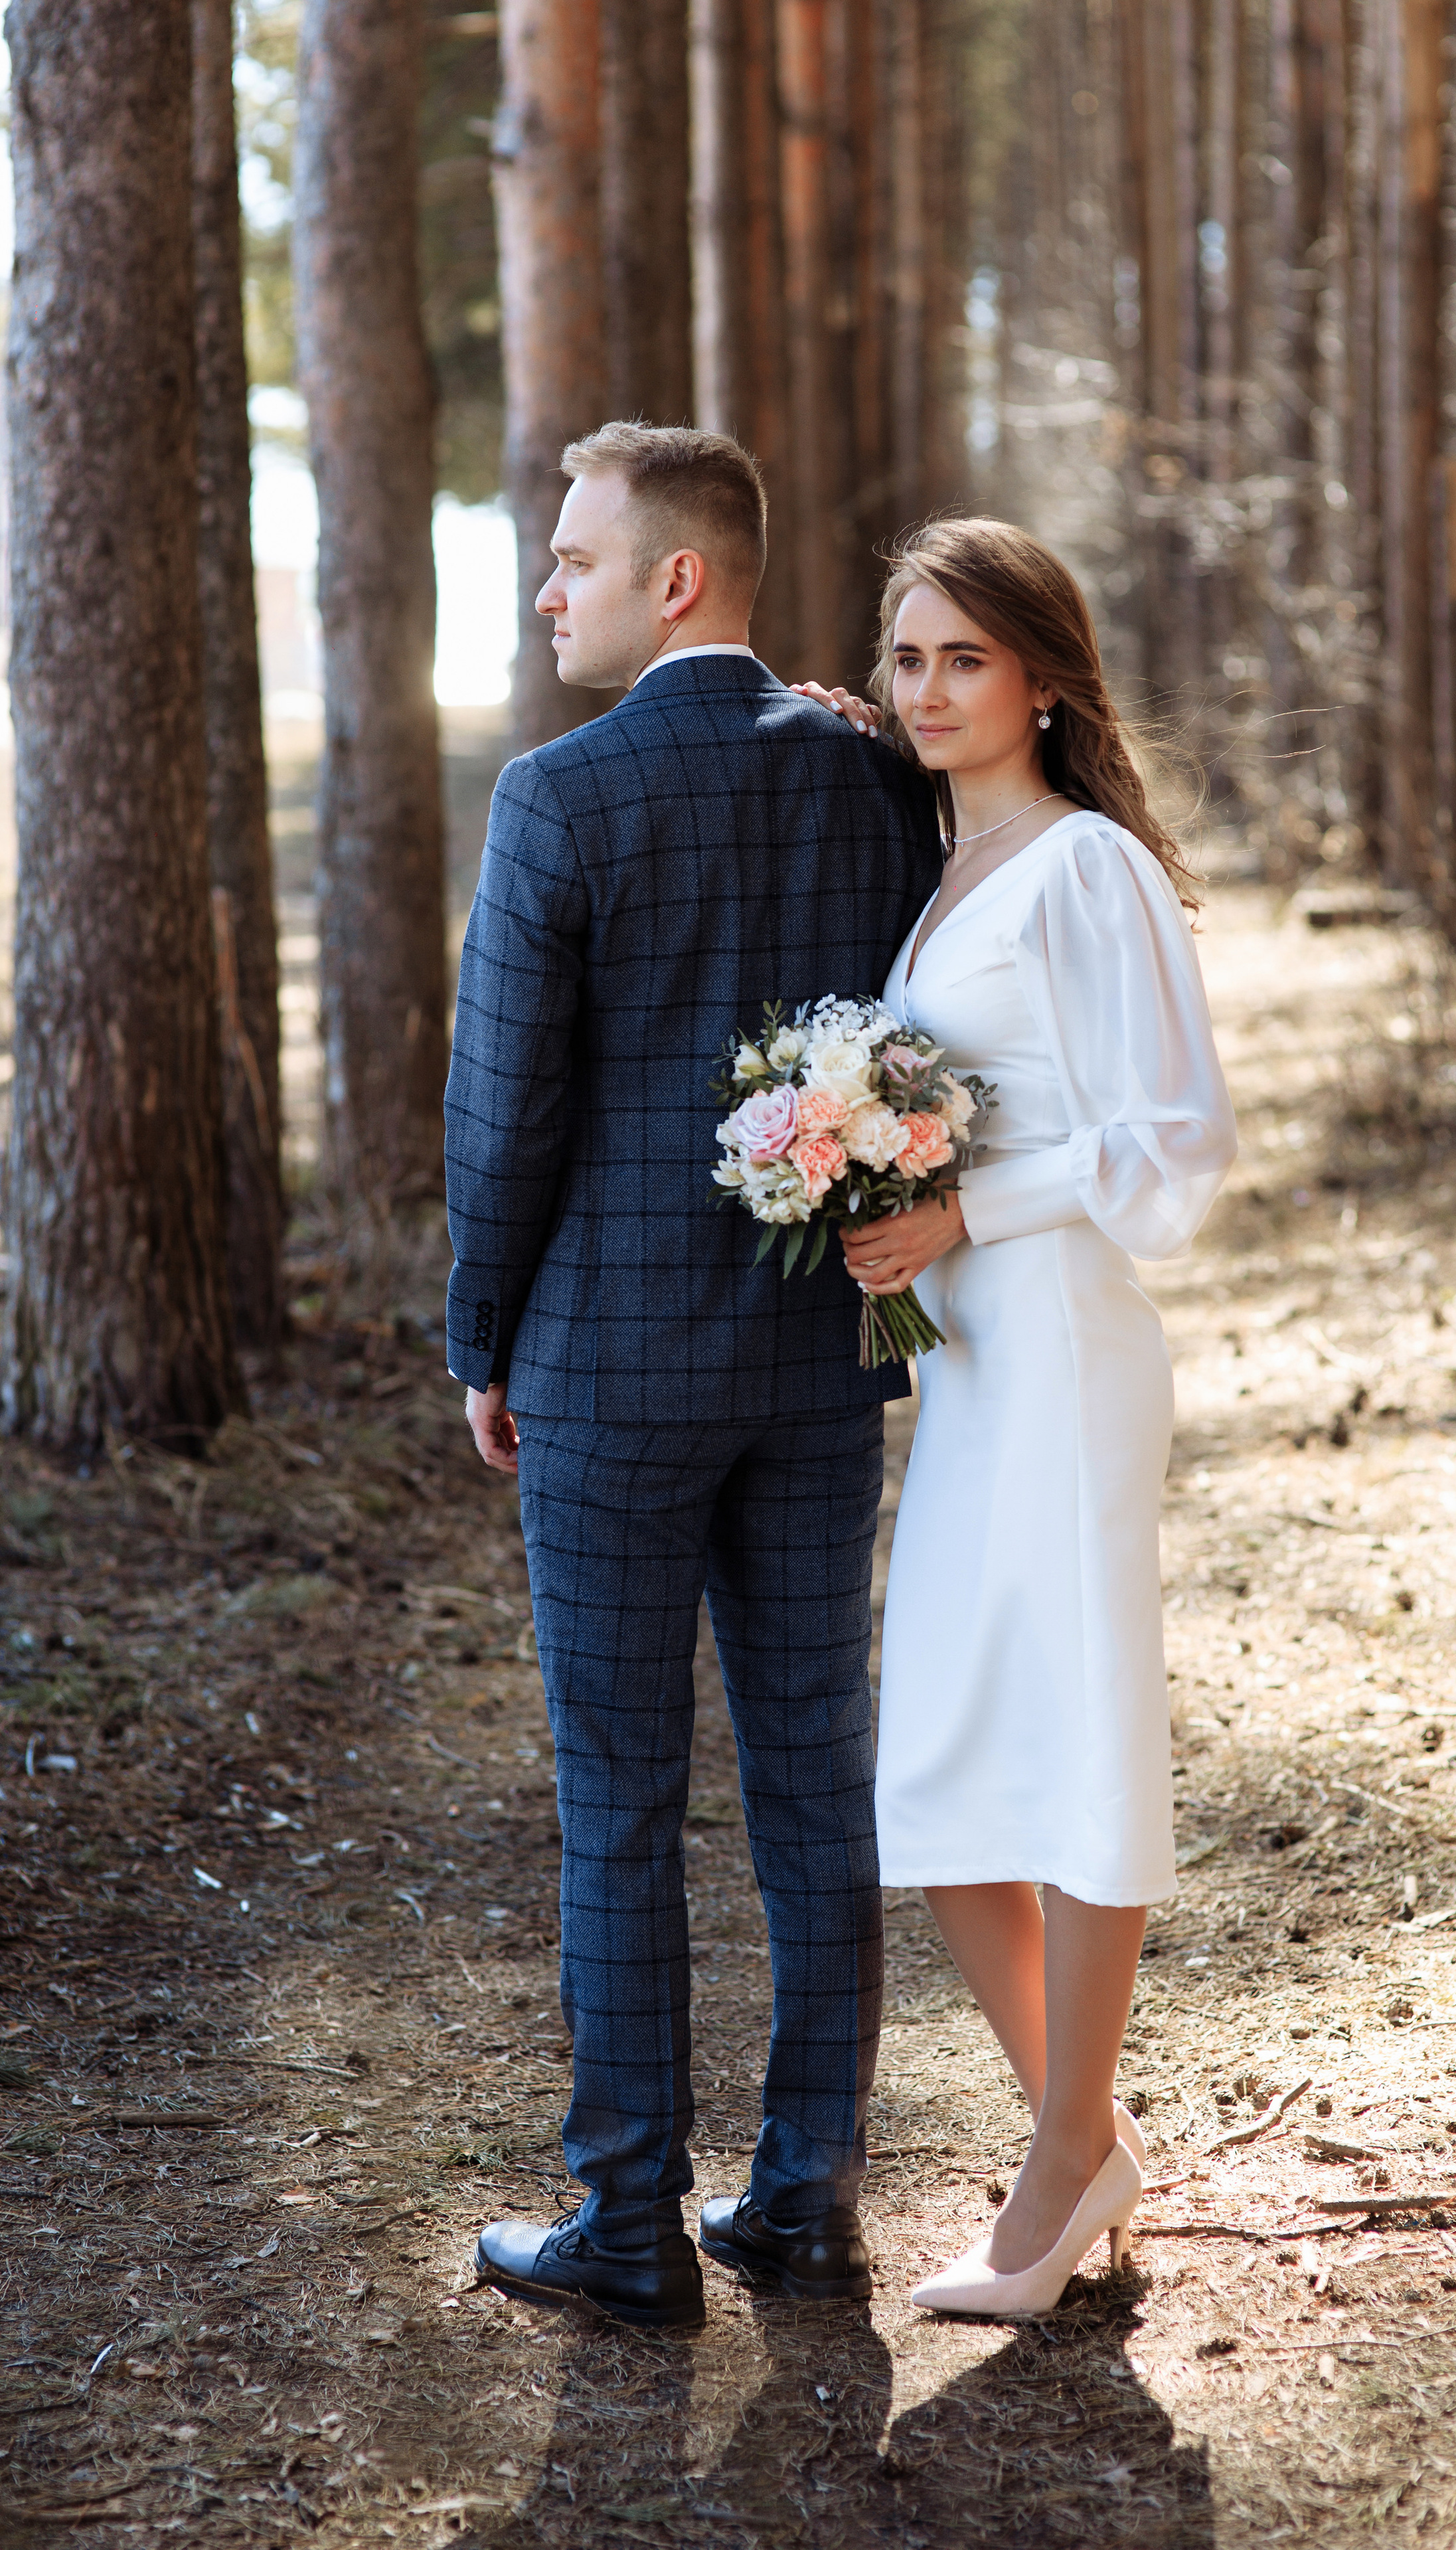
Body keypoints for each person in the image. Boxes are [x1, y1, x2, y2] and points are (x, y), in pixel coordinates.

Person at [444, 423, 942, 2330]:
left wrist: (483, 1339)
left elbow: (506, 1116)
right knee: (815, 1777)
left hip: (610, 1370)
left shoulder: (558, 799)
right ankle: (808, 2197)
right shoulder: (873, 779)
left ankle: (629, 2220)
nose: (547, 587)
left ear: (677, 579)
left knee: (622, 1795)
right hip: (821, 1351)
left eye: (573, 556)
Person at [827, 519, 1236, 2316]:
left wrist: (964, 1215)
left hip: (1066, 1352)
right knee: (940, 1784)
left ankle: (1063, 2165)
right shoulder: (943, 868)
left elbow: (1177, 1141)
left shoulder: (1087, 874)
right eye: (907, 659)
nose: (930, 692)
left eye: (964, 660)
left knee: (1068, 1751)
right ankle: (1092, 2134)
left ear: (1046, 677)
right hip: (971, 1370)